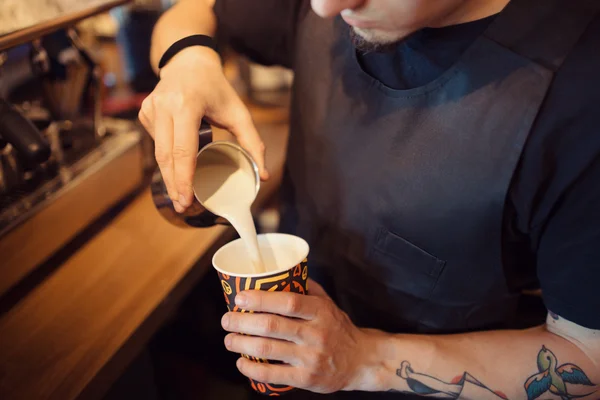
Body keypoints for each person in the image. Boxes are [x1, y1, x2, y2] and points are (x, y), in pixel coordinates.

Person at [139, 0, 600, 398]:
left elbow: (588, 360)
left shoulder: (579, 95)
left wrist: (363, 360)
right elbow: (193, 9)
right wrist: (188, 61)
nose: (323, 9)